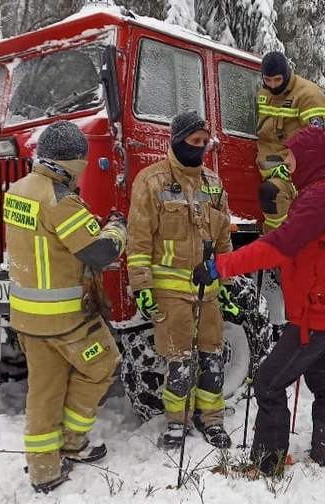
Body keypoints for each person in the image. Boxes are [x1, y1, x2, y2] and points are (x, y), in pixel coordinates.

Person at [203, 127, 325, 475]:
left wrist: (221, 266)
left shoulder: (319, 199)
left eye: (290, 156)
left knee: (268, 381)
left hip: (317, 314)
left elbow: (280, 246)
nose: (285, 163)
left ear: (308, 158)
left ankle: (267, 463)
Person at [4, 120, 127, 493]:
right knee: (103, 365)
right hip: (65, 319)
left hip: (28, 317)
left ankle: (43, 469)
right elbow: (99, 252)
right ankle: (73, 442)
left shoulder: (18, 189)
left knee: (44, 389)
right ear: (73, 162)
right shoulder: (59, 199)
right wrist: (117, 228)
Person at [126, 111, 234, 449]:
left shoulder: (213, 184)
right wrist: (142, 287)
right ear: (177, 140)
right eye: (194, 141)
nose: (200, 148)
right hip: (171, 295)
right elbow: (139, 240)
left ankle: (212, 419)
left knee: (213, 356)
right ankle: (178, 423)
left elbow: (224, 242)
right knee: (179, 360)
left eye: (205, 142)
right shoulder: (151, 181)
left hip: (209, 291)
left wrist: (226, 280)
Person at [256, 50, 325, 233]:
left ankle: (280, 248)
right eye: (268, 80)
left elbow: (319, 141)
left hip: (293, 164)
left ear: (287, 74)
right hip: (265, 160)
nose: (272, 85)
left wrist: (300, 171)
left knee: (272, 193)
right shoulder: (263, 93)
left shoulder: (309, 95)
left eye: (277, 80)